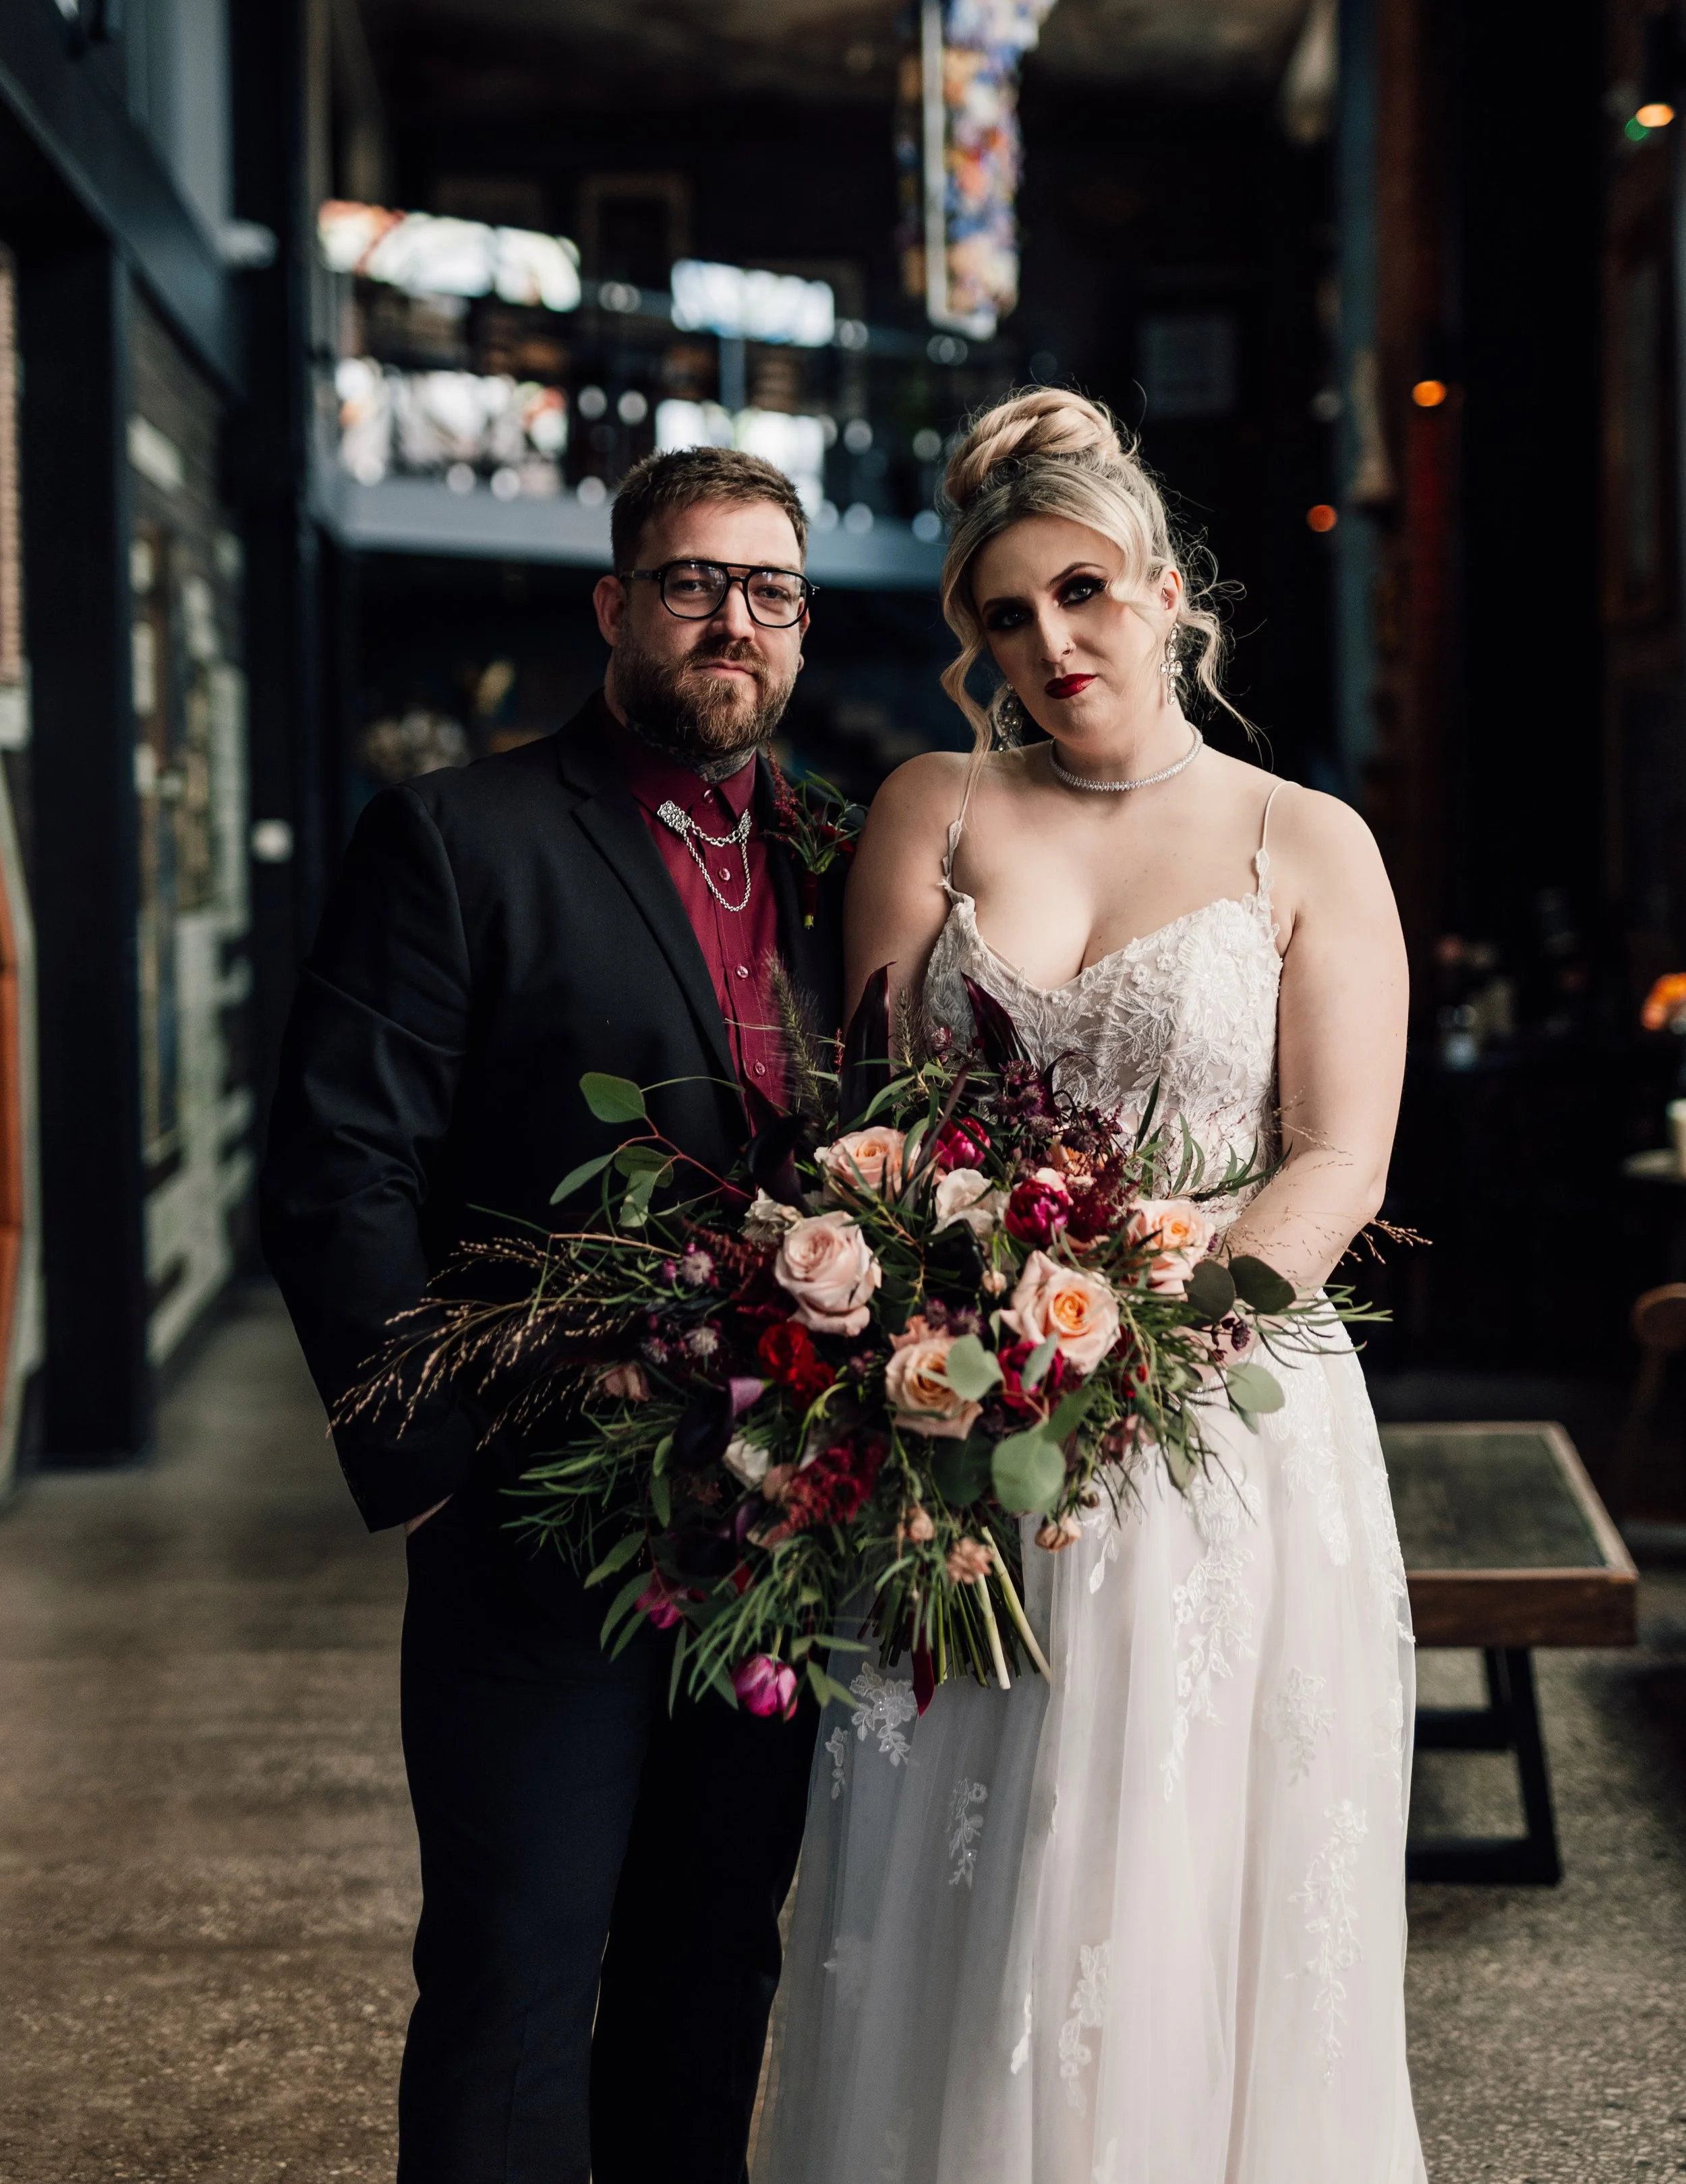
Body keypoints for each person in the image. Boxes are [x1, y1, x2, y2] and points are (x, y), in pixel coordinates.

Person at [755, 390, 1425, 2184]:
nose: (1049, 642)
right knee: (969, 1867)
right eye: (1004, 615)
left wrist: (1149, 1340)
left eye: (1083, 592)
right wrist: (961, 1322)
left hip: (1218, 1419)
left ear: (1168, 589)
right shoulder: (938, 805)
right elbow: (868, 1124)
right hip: (969, 1419)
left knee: (1173, 1864)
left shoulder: (1306, 838)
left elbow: (1335, 1160)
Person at [260, 446, 845, 2184]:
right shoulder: (459, 836)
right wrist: (436, 1470)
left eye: (769, 589)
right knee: (512, 1974)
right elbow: (337, 1171)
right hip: (538, 1513)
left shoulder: (847, 853)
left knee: (712, 1962)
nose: (732, 620)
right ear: (614, 605)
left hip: (781, 1523)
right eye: (691, 582)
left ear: (802, 625)